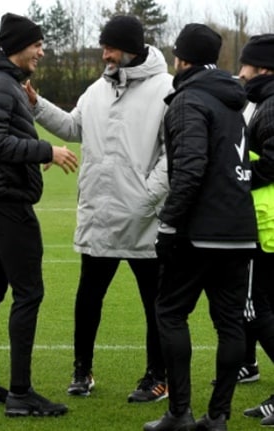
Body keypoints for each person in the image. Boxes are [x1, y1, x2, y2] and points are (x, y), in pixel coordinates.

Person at [26, 15, 172, 402]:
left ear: (131, 48)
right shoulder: (97, 89)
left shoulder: (167, 90)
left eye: (110, 47)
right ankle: (82, 371)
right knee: (88, 297)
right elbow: (75, 127)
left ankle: (158, 376)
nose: (104, 54)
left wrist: (144, 200)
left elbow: (173, 156)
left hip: (145, 221)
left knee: (155, 304)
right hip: (101, 216)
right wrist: (37, 105)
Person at [144, 23, 257, 431]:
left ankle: (180, 413)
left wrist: (169, 225)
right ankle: (218, 417)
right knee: (230, 323)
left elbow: (190, 169)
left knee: (170, 313)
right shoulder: (235, 101)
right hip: (240, 228)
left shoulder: (189, 100)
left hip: (201, 230)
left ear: (182, 58)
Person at [0, 13, 78, 417]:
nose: (42, 51)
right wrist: (46, 150)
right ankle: (20, 394)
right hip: (6, 203)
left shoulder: (4, 82)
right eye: (37, 44)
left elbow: (0, 136)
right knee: (28, 292)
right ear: (17, 46)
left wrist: (33, 150)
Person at [233, 34, 274, 427]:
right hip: (266, 223)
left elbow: (273, 162)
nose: (240, 73)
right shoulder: (264, 102)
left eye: (245, 66)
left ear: (262, 68)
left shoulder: (272, 105)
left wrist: (238, 174)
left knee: (254, 308)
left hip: (268, 226)